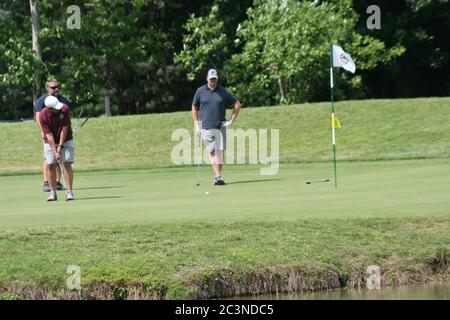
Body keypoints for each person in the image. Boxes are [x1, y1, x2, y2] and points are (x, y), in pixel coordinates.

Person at [192, 69, 241, 185]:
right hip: (206, 127)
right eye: (211, 79)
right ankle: (218, 176)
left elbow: (237, 104)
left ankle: (218, 176)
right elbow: (194, 107)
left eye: (214, 79)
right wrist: (196, 124)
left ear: (217, 79)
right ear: (207, 78)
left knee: (219, 152)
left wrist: (231, 120)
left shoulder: (222, 91)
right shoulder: (200, 91)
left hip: (220, 126)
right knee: (213, 152)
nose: (213, 81)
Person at [35, 79, 70, 192]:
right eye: (53, 87)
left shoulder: (63, 99)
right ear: (47, 88)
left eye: (57, 86)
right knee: (49, 158)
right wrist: (43, 131)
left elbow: (66, 116)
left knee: (59, 157)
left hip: (60, 133)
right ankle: (46, 182)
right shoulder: (42, 100)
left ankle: (57, 181)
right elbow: (39, 117)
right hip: (48, 132)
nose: (56, 89)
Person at [39, 95, 75, 201]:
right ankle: (52, 193)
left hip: (66, 139)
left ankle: (69, 192)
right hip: (50, 141)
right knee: (50, 164)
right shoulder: (43, 115)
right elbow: (48, 135)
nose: (58, 108)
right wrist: (55, 151)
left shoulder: (64, 109)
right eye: (55, 108)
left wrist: (61, 146)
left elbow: (65, 128)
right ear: (49, 108)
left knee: (67, 163)